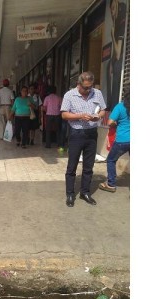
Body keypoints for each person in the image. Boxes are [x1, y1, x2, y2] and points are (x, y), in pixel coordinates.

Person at [61, 71, 106, 207]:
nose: (88, 90)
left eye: (90, 87)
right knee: (72, 165)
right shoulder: (69, 95)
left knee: (89, 166)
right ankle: (70, 194)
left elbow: (103, 109)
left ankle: (85, 192)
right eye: (85, 87)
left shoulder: (97, 93)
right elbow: (64, 114)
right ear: (78, 84)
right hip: (76, 134)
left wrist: (98, 116)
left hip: (92, 133)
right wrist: (80, 116)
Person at [99, 90, 129, 193]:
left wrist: (117, 124)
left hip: (123, 139)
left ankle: (111, 184)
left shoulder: (120, 107)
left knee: (111, 160)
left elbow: (110, 122)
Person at [106, 0, 127, 111]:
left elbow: (118, 54)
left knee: (116, 66)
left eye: (114, 8)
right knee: (110, 65)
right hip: (118, 60)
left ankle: (114, 104)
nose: (112, 12)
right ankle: (112, 103)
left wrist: (112, 35)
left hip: (122, 61)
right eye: (111, 9)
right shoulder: (118, 22)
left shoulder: (122, 23)